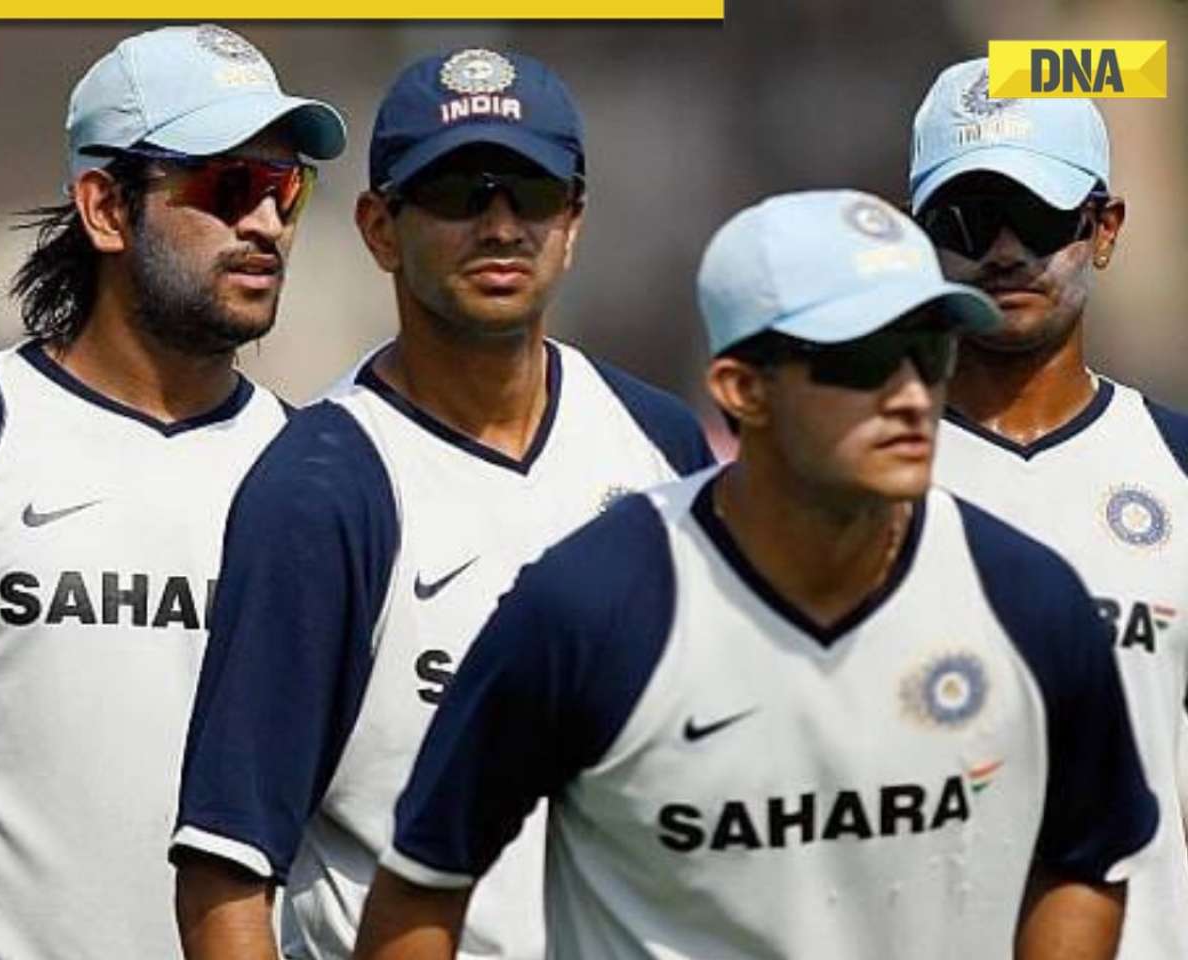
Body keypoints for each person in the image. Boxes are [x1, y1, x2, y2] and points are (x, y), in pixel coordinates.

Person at [353, 190, 1158, 960]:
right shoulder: (591, 608)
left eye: (928, 352)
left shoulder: (1025, 598)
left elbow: (1089, 858)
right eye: (864, 361)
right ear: (742, 389)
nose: (912, 396)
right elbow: (422, 892)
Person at [170, 47, 715, 960]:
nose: (500, 226)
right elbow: (226, 873)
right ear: (381, 228)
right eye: (459, 193)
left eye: (531, 193)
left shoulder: (660, 442)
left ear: (573, 222)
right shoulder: (321, 487)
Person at [0, 24, 345, 960]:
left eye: (287, 189)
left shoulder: (322, 474)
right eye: (230, 186)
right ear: (106, 209)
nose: (267, 225)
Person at [908, 57, 1188, 959]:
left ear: (1103, 228)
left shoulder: (1177, 470)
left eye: (1036, 215)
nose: (1003, 252)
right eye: (967, 219)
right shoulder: (855, 483)